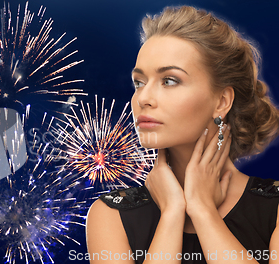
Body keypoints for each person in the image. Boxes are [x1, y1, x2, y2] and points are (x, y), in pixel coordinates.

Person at [86, 6, 279, 264]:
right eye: (139, 82)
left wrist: (203, 210)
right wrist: (173, 213)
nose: (143, 98)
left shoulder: (274, 209)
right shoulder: (110, 215)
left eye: (169, 80)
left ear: (222, 101)